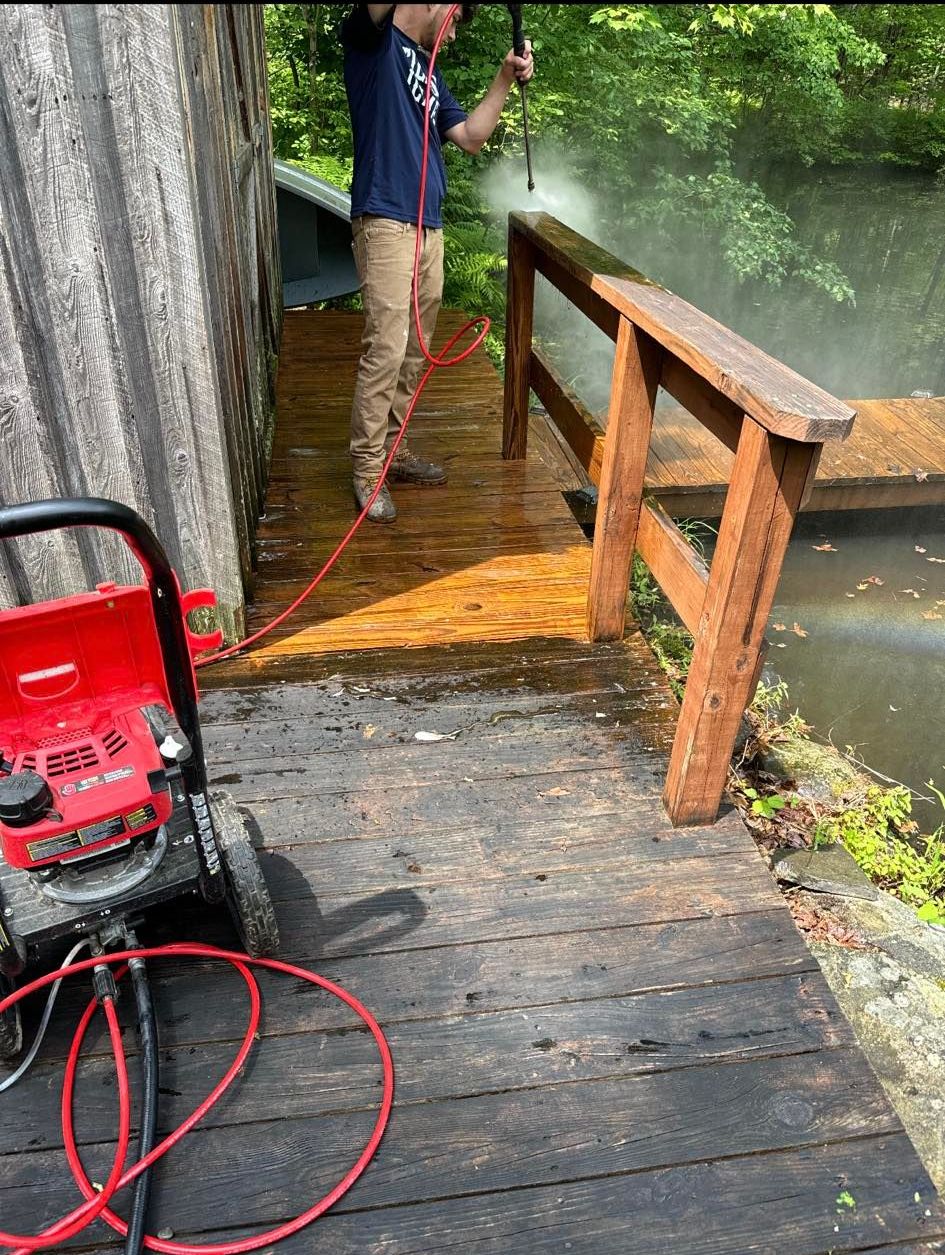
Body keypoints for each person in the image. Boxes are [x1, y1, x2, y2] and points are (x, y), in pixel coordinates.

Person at [341, 3, 534, 523]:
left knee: (413, 352)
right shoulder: (371, 42)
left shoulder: (429, 74)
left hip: (429, 226)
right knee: (384, 347)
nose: (449, 39)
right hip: (384, 220)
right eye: (453, 21)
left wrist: (502, 77)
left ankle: (393, 452)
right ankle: (366, 468)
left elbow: (471, 138)